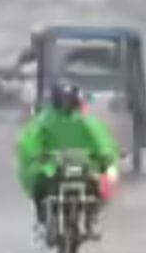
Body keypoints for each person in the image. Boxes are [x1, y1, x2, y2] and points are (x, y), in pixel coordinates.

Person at [15, 81, 120, 236]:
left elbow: (101, 140)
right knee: (39, 185)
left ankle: (91, 219)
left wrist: (104, 157)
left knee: (99, 187)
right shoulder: (45, 120)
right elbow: (31, 140)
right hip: (52, 167)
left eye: (69, 101)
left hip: (84, 166)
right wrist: (36, 155)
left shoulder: (85, 121)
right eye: (64, 100)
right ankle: (42, 218)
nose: (67, 104)